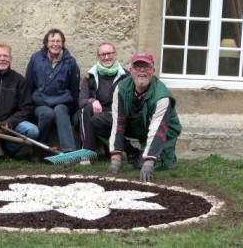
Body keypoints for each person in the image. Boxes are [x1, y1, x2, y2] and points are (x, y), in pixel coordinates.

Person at [107, 52, 182, 182]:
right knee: (101, 121)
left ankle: (157, 156)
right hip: (140, 124)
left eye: (146, 67)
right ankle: (133, 153)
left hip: (165, 131)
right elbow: (118, 122)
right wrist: (116, 157)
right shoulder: (121, 88)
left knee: (153, 164)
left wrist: (148, 162)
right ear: (131, 70)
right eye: (137, 66)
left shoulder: (162, 97)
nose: (142, 70)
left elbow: (157, 130)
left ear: (153, 71)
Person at [25, 28, 80, 157]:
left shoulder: (70, 62)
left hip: (62, 102)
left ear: (63, 43)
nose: (55, 44)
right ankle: (40, 151)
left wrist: (73, 109)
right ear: (46, 43)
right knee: (47, 113)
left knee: (60, 110)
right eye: (52, 40)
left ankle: (69, 152)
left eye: (58, 41)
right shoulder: (36, 59)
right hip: (40, 103)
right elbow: (29, 83)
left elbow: (73, 87)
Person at [0, 42, 39, 158]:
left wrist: (9, 123)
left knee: (32, 130)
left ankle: (8, 149)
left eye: (6, 56)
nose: (2, 59)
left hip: (11, 124)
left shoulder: (19, 80)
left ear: (10, 59)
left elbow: (26, 108)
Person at [78, 42, 130, 165]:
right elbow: (81, 100)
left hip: (117, 114)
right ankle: (87, 153)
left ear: (115, 55)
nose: (106, 57)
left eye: (109, 54)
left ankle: (111, 150)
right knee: (87, 109)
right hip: (97, 114)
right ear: (98, 57)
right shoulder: (90, 76)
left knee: (99, 118)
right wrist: (93, 101)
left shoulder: (126, 77)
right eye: (102, 55)